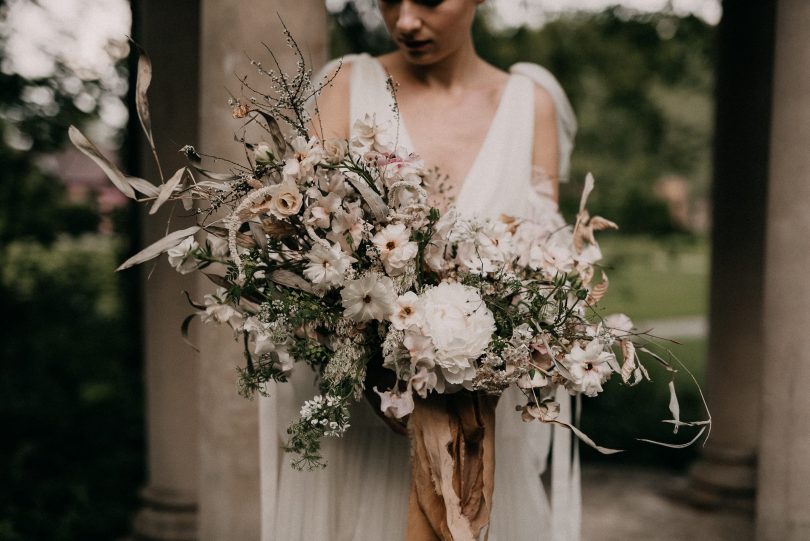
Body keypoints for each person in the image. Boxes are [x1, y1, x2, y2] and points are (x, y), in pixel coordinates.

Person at [259, 1, 580, 539]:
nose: (405, 21)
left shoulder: (532, 103)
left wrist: (487, 368)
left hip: (480, 425)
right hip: (368, 430)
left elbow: (544, 264)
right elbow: (302, 249)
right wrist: (375, 367)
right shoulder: (345, 86)